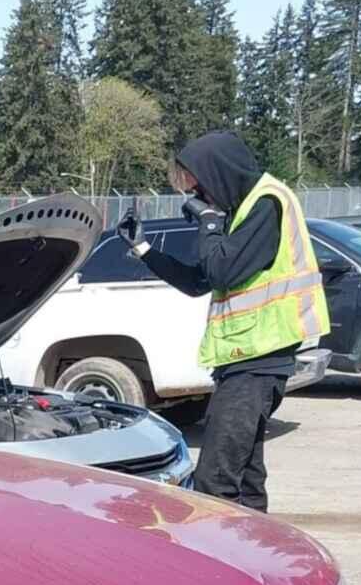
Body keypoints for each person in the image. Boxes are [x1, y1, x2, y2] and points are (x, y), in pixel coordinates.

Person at [117, 131, 328, 512]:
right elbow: (199, 280)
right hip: (243, 361)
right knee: (246, 475)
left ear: (218, 174)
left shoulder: (267, 203)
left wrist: (210, 223)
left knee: (215, 480)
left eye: (201, 191)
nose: (200, 200)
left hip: (258, 362)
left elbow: (220, 271)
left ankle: (221, 561)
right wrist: (143, 249)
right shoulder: (244, 209)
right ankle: (258, 556)